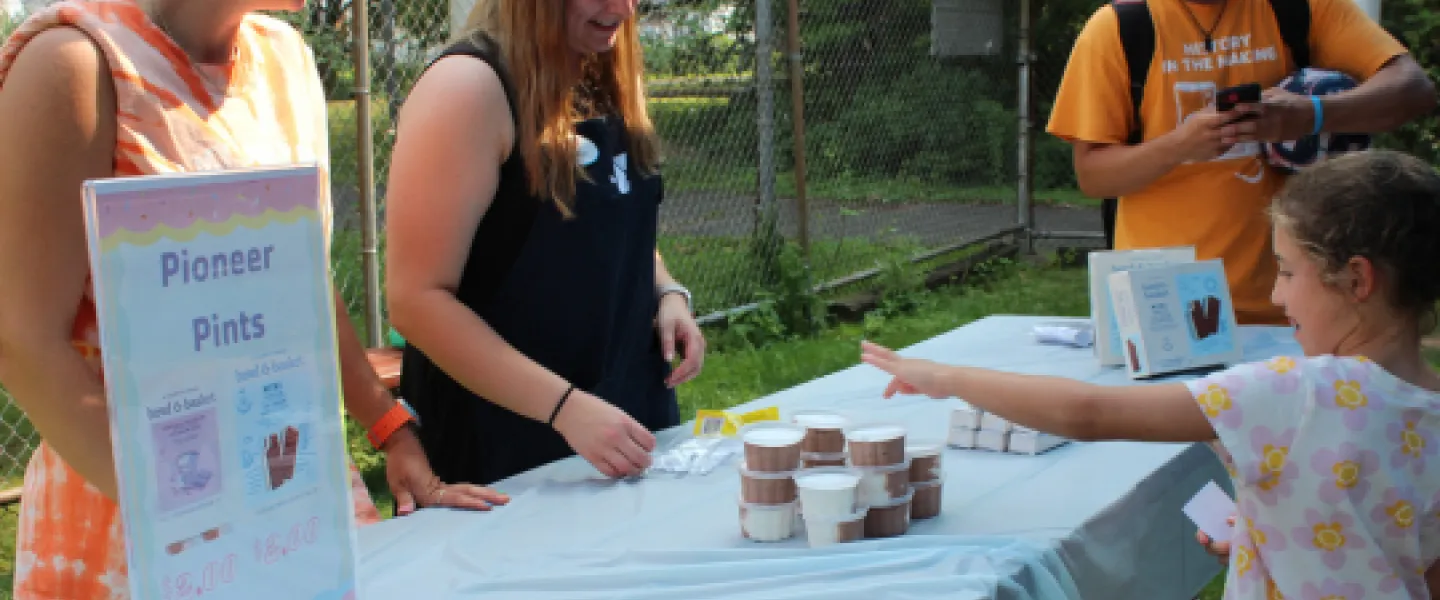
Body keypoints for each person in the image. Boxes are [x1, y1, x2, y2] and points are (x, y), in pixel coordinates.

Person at [0, 0, 506, 597]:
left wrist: (390, 427)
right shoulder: (77, 62)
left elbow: (303, 281)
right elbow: (23, 341)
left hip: (288, 490)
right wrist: (203, 524)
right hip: (137, 521)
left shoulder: (284, 56)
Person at [861, 149, 1440, 598]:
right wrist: (1278, 539)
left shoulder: (1296, 392)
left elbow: (1087, 413)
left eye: (1287, 272)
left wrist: (947, 377)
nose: (1274, 292)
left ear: (1357, 280)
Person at [384, 0, 706, 487]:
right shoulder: (468, 89)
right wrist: (566, 409)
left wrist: (667, 293)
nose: (623, 8)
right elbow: (416, 300)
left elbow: (609, 222)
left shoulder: (598, 67)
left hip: (621, 427)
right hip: (507, 452)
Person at [1047, 0, 1436, 325]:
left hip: (1297, 307)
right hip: (1164, 307)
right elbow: (1093, 176)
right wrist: (1180, 145)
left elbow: (1413, 90)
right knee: (1172, 418)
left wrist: (1313, 114)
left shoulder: (1298, 9)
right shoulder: (1121, 27)